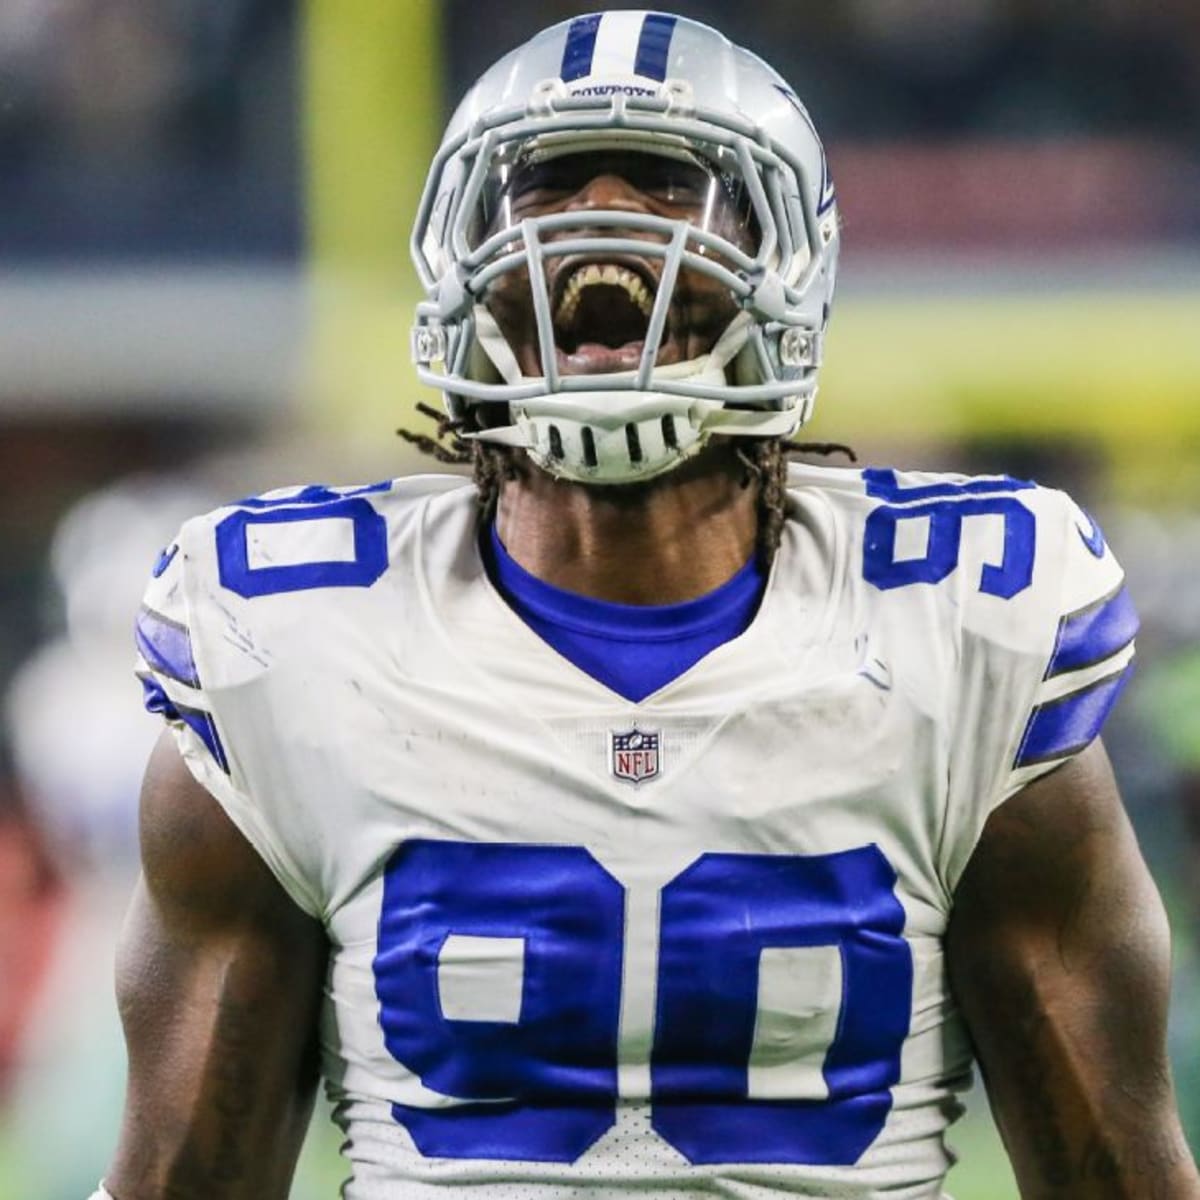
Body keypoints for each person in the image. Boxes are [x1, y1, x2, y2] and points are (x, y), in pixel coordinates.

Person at [99, 11, 1198, 1199]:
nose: (602, 224)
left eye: (672, 186)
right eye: (552, 185)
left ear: (787, 261)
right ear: (464, 262)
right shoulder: (292, 639)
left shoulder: (966, 628)